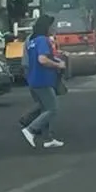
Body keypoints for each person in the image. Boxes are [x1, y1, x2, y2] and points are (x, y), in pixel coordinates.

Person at [20, 15, 66, 149]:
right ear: (47, 26)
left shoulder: (32, 41)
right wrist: (58, 65)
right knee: (52, 109)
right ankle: (31, 129)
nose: (54, 28)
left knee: (45, 108)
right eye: (52, 25)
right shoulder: (42, 40)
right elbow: (42, 59)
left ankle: (48, 139)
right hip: (43, 80)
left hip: (34, 79)